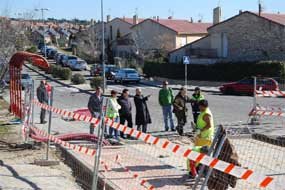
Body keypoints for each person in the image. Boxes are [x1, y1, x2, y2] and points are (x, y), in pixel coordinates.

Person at [187, 99, 215, 178]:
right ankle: (197, 171)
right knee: (199, 156)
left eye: (200, 106)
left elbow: (209, 125)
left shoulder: (206, 114)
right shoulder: (203, 112)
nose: (199, 107)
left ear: (203, 106)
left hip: (205, 138)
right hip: (201, 137)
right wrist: (196, 128)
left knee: (201, 156)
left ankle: (201, 172)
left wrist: (200, 130)